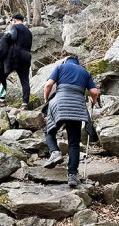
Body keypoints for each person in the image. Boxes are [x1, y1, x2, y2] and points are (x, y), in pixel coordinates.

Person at [41, 55, 99, 188]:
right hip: (77, 107)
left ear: (66, 61)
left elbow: (49, 84)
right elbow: (94, 92)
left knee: (50, 131)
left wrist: (46, 99)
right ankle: (72, 176)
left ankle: (55, 152)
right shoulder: (84, 71)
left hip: (60, 103)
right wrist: (94, 101)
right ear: (77, 63)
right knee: (73, 143)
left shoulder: (60, 67)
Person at [7, 13, 33, 109]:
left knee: (2, 74)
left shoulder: (15, 27)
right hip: (27, 55)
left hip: (16, 55)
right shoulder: (29, 31)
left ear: (14, 20)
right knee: (25, 80)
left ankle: (1, 99)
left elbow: (13, 37)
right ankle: (25, 103)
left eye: (11, 21)